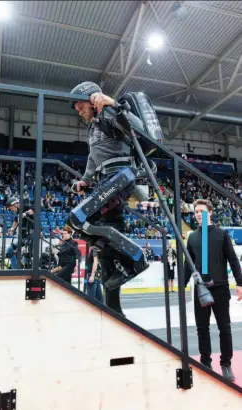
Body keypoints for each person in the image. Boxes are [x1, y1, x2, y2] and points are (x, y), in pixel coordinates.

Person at [69, 81, 135, 315]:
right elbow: (92, 157)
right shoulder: (92, 127)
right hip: (104, 179)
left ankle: (136, 260)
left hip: (119, 177)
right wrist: (85, 180)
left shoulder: (108, 113)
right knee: (106, 241)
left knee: (78, 218)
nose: (78, 110)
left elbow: (138, 129)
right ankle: (115, 307)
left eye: (79, 105)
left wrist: (115, 104)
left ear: (92, 99)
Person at [184, 199, 242, 382]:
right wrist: (183, 283)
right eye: (196, 212)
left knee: (224, 328)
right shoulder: (192, 237)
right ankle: (205, 363)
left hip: (220, 289)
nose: (199, 215)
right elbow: (188, 264)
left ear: (210, 212)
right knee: (202, 328)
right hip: (201, 290)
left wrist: (240, 283)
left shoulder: (221, 234)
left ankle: (225, 364)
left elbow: (233, 259)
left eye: (202, 211)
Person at [6, 197, 34, 267]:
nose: (11, 210)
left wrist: (25, 214)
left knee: (27, 255)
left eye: (12, 208)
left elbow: (33, 210)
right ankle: (16, 269)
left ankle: (26, 269)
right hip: (23, 236)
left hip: (30, 236)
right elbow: (16, 220)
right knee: (9, 250)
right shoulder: (18, 211)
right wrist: (12, 228)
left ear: (15, 204)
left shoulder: (25, 206)